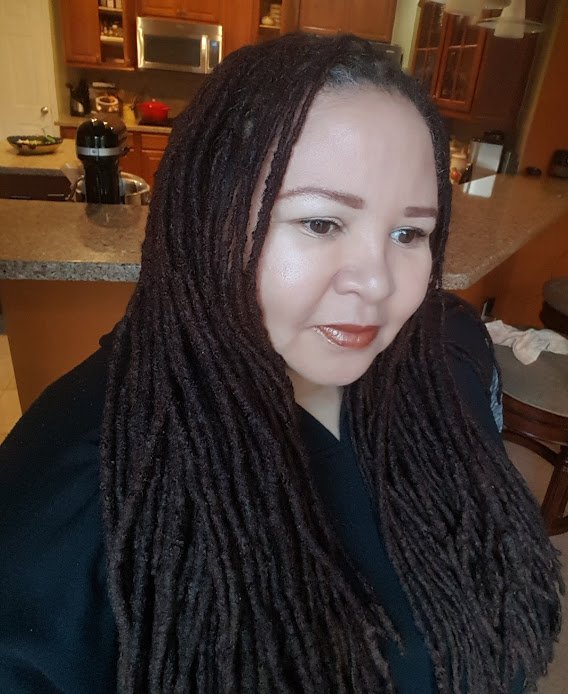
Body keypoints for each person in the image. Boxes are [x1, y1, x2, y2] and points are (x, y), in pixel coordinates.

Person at [0, 34, 563, 694]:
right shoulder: (82, 491)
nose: (378, 283)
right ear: (207, 215)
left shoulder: (444, 359)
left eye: (409, 233)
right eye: (321, 223)